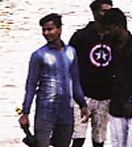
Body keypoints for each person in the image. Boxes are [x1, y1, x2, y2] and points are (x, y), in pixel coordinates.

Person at [19, 13, 89, 147]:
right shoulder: (39, 55)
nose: (46, 33)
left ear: (60, 29)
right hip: (46, 111)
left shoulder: (71, 52)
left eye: (50, 29)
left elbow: (75, 81)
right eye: (44, 30)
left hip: (66, 111)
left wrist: (83, 105)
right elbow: (31, 85)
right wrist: (25, 112)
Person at [100, 8, 132, 147]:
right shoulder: (109, 46)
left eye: (109, 29)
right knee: (116, 143)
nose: (106, 32)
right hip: (116, 104)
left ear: (119, 26)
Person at [69, 0, 114, 147]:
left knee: (99, 139)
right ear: (95, 13)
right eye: (104, 11)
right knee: (78, 137)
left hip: (105, 96)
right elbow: (70, 65)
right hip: (83, 95)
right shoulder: (81, 36)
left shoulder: (114, 37)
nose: (108, 15)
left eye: (110, 11)